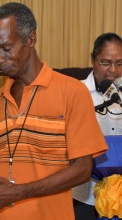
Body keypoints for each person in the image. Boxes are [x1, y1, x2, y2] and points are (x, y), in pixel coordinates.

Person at [0, 2, 108, 220]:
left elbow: (82, 169)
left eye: (6, 48)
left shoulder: (72, 92)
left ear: (31, 39)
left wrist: (20, 192)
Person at [72, 32, 122, 220]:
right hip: (85, 196)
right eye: (106, 62)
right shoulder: (77, 92)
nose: (113, 70)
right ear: (93, 59)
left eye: (119, 63)